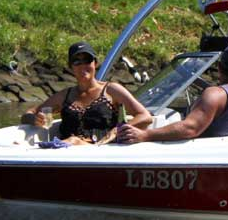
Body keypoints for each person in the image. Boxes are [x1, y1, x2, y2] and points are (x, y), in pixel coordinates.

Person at [117, 44, 228, 143]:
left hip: (205, 167)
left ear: (219, 67)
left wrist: (145, 135)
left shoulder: (215, 95)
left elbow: (190, 128)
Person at [22, 41, 152, 145]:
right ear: (70, 66)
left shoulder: (112, 90)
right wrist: (35, 119)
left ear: (95, 63)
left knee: (73, 141)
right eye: (77, 62)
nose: (82, 65)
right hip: (66, 154)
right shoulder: (63, 96)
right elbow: (27, 115)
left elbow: (145, 117)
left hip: (103, 151)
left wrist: (117, 130)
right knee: (71, 141)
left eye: (87, 60)